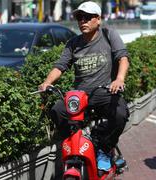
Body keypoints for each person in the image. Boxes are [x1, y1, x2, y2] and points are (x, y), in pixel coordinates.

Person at [39, 1, 130, 172]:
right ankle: (76, 145)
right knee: (57, 111)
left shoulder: (109, 34)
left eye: (87, 17)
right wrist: (47, 82)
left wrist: (119, 79)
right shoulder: (73, 43)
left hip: (104, 92)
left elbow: (123, 58)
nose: (83, 21)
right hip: (80, 95)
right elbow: (60, 66)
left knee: (120, 113)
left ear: (98, 19)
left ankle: (102, 147)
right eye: (79, 17)